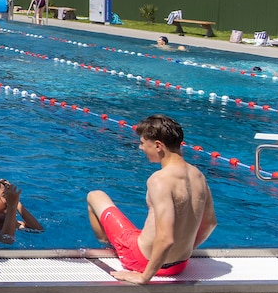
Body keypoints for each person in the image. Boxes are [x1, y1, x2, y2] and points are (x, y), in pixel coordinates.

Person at [86, 115, 217, 283]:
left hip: (143, 261)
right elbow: (210, 223)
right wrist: (186, 249)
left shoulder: (160, 180)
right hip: (180, 265)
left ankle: (109, 245)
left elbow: (166, 238)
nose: (141, 148)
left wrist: (144, 277)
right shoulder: (198, 175)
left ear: (158, 145)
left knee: (95, 195)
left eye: (142, 143)